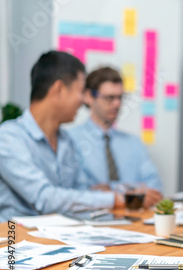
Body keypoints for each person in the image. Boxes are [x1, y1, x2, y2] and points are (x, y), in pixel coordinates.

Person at [0, 51, 124, 221]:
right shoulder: (8, 138)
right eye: (81, 91)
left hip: (64, 239)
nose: (83, 100)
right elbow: (44, 198)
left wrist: (115, 195)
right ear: (59, 89)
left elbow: (80, 192)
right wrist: (111, 200)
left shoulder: (67, 141)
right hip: (18, 242)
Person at [69, 67, 163, 209]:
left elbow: (155, 188)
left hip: (134, 223)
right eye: (109, 98)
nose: (117, 104)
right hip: (91, 223)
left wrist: (111, 189)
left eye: (120, 97)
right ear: (89, 96)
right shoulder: (70, 139)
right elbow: (76, 193)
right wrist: (134, 192)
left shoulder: (133, 143)